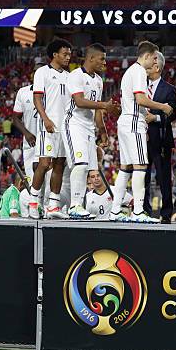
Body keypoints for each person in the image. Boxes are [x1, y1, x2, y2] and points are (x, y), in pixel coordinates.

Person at [109, 41, 172, 223]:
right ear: (146, 56)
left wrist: (148, 113)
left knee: (125, 167)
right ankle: (138, 211)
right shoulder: (138, 72)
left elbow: (137, 102)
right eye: (153, 58)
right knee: (140, 166)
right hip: (133, 123)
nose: (154, 62)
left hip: (126, 122)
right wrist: (162, 107)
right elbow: (140, 98)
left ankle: (114, 210)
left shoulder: (130, 71)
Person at [63, 43, 119, 219]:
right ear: (91, 58)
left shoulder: (98, 80)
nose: (104, 62)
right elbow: (79, 102)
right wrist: (105, 105)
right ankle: (75, 205)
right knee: (80, 164)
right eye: (102, 58)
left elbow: (96, 111)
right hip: (73, 124)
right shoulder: (75, 75)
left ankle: (78, 205)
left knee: (90, 168)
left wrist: (102, 131)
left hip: (88, 127)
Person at [28, 38, 72, 219]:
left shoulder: (69, 76)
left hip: (64, 126)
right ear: (55, 55)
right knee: (44, 163)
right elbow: (37, 98)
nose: (68, 57)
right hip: (49, 124)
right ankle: (33, 202)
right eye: (65, 54)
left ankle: (53, 206)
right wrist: (45, 118)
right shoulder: (42, 72)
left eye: (69, 54)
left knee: (60, 164)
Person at [143, 51, 176, 224]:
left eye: (150, 61)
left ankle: (166, 213)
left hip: (161, 139)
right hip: (141, 139)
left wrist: (155, 118)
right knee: (143, 176)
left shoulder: (169, 89)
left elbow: (173, 115)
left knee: (164, 178)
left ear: (157, 66)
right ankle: (144, 211)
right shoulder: (140, 86)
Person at [12, 62, 45, 184]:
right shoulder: (23, 92)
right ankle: (35, 203)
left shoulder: (53, 92)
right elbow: (15, 118)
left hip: (48, 140)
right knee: (32, 181)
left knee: (47, 181)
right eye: (35, 71)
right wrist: (27, 133)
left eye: (40, 71)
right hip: (30, 142)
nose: (37, 74)